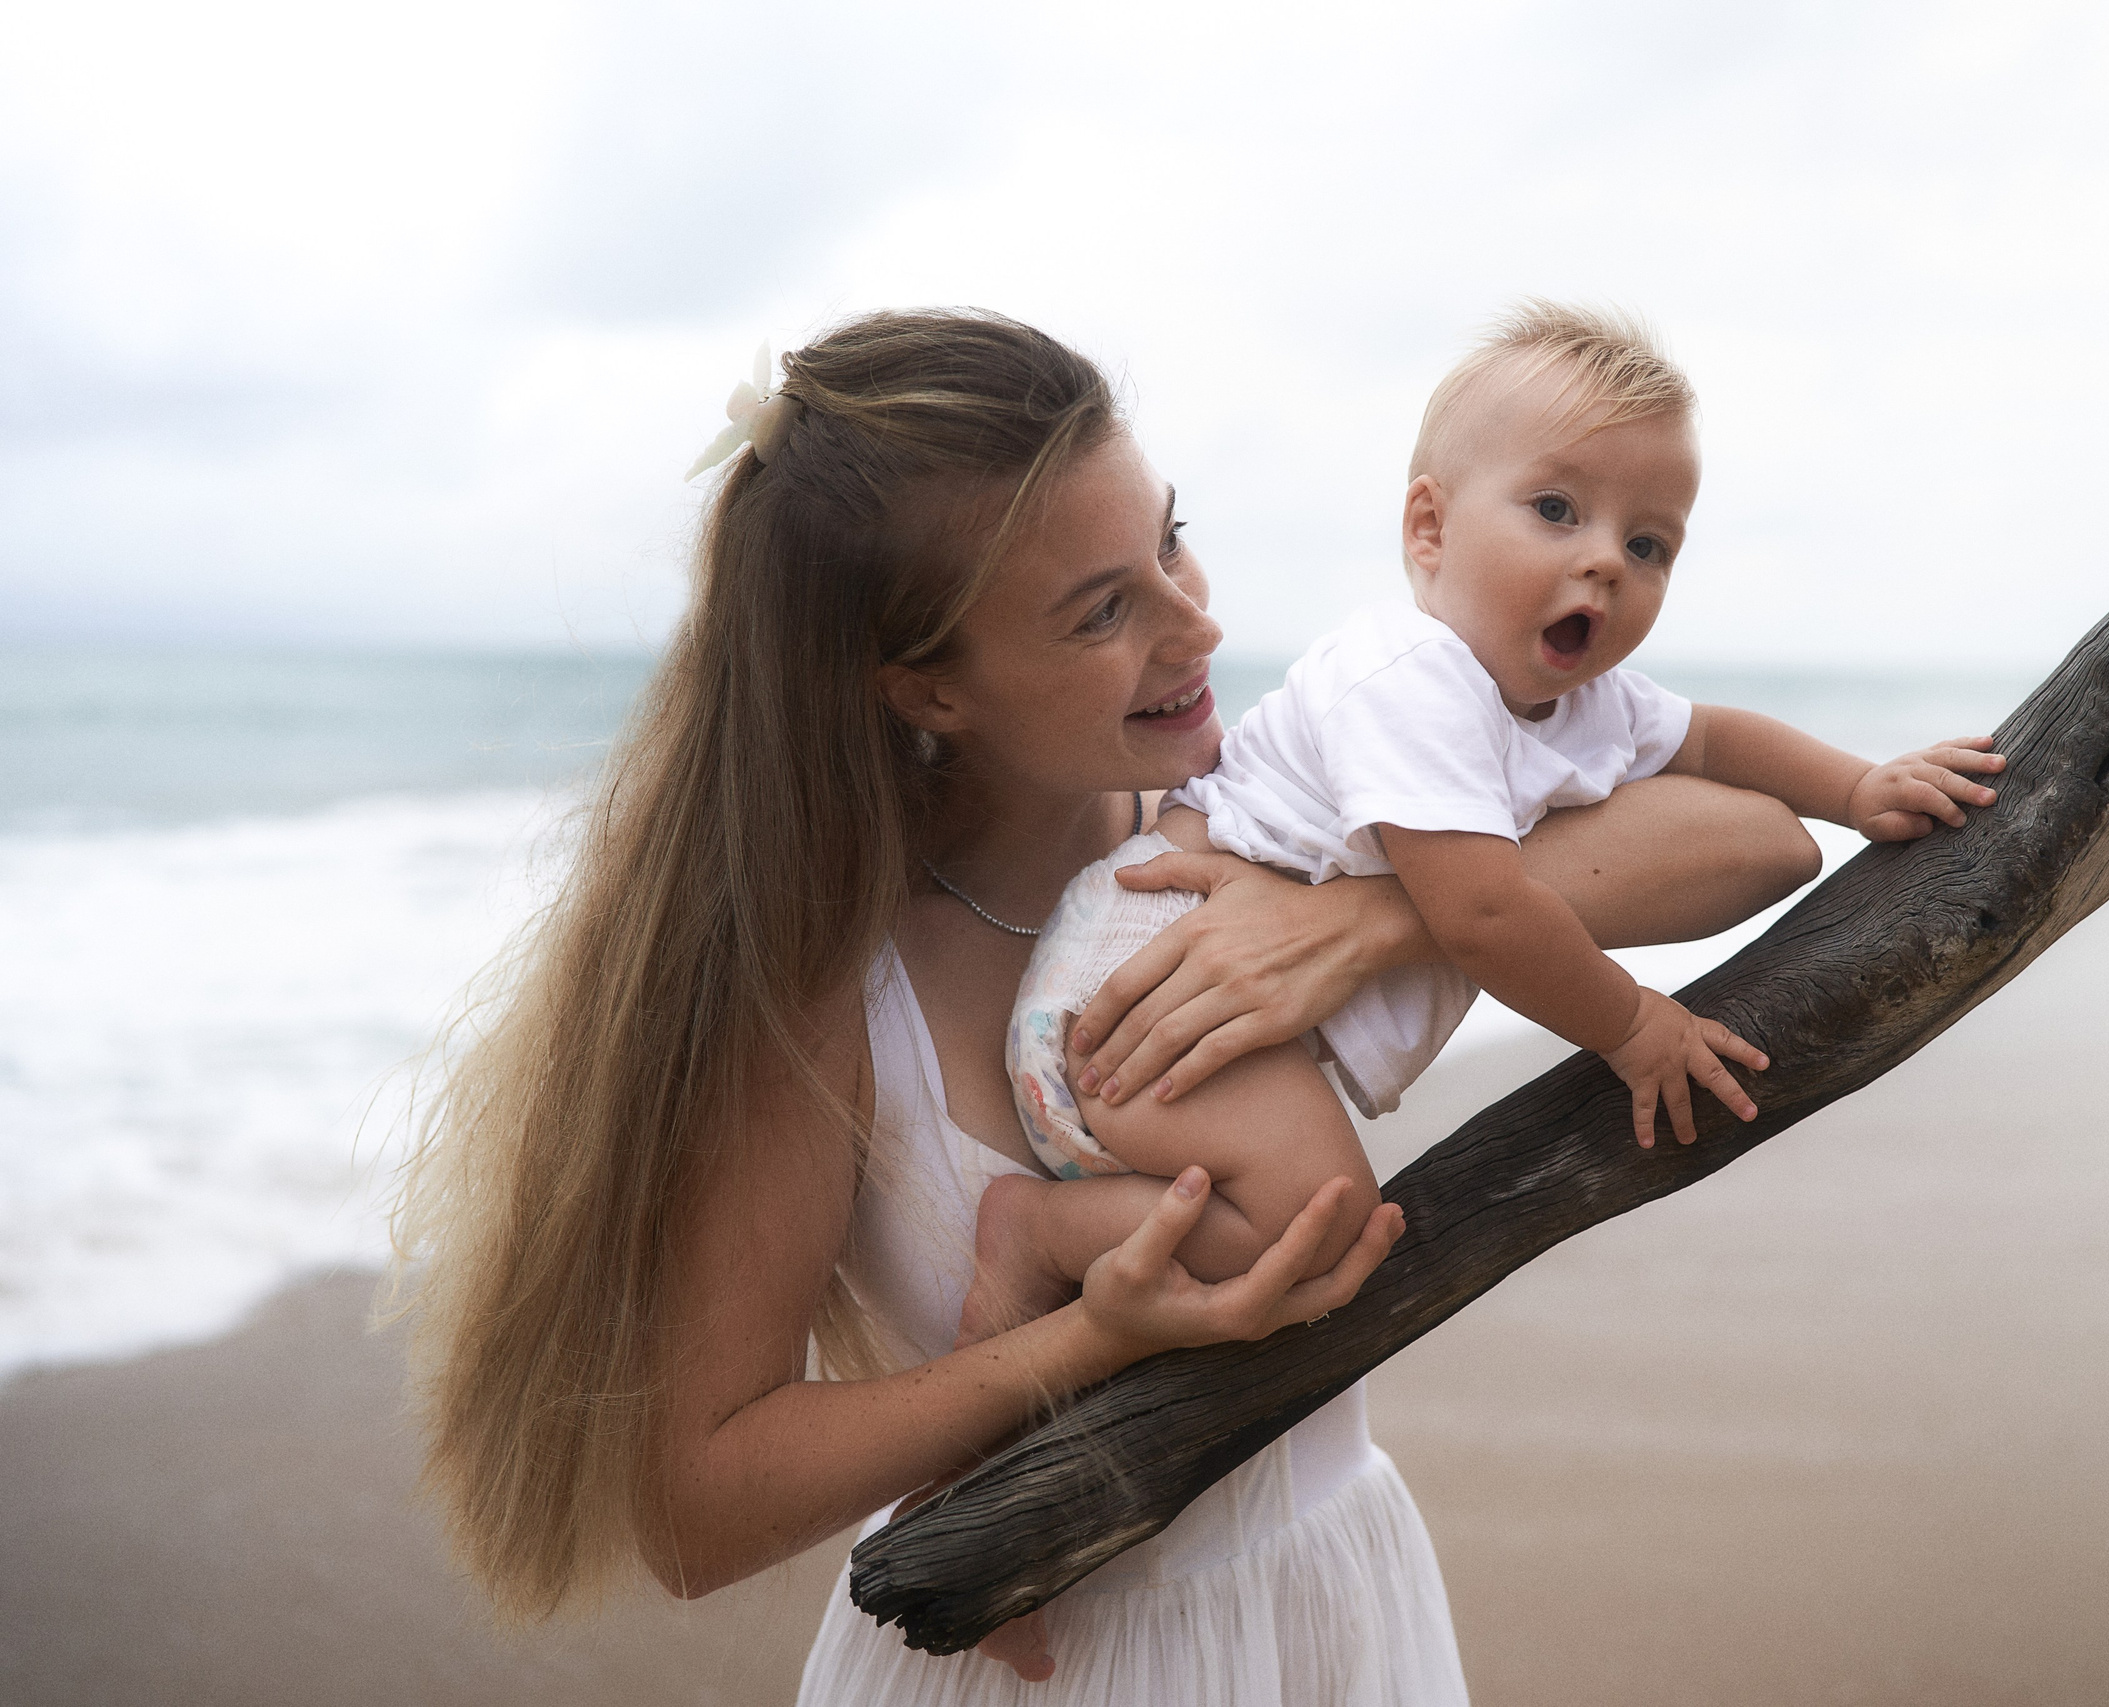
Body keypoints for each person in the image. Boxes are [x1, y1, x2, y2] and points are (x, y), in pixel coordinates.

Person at [389, 307, 1824, 1703]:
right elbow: (697, 1513)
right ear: (926, 686)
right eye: (1103, 609)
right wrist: (1085, 1337)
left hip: (1334, 1593)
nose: (1196, 623)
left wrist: (1363, 925)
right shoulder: (830, 998)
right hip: (1061, 1661)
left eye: (1173, 542)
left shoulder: (1240, 819)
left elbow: (1756, 840)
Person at [968, 304, 2004, 1343]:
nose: (1604, 560)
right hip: (1137, 987)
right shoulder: (1408, 680)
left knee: (1309, 1231)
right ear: (1430, 527)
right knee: (1318, 1227)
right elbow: (1483, 915)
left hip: (1192, 1004)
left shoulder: (1590, 702)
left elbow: (1712, 741)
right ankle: (1039, 1233)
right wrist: (1633, 1026)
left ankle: (1092, 1252)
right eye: (1556, 509)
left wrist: (1858, 787)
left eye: (1647, 543)